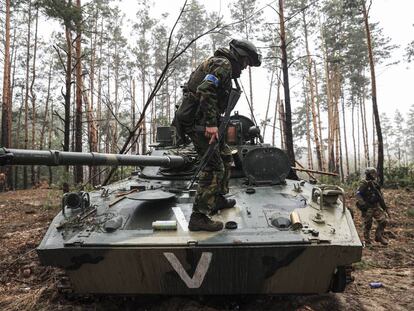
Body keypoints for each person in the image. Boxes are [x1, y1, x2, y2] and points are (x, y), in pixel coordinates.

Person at [174, 39, 261, 231]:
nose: (245, 67)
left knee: (225, 156)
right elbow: (205, 89)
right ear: (239, 56)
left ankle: (217, 199)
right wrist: (211, 124)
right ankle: (199, 217)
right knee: (213, 167)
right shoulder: (223, 64)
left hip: (204, 120)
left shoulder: (222, 65)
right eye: (246, 62)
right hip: (199, 123)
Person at [355, 167, 389, 245]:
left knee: (384, 220)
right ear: (368, 174)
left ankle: (379, 236)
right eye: (372, 173)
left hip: (375, 206)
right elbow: (358, 194)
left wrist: (383, 205)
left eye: (375, 173)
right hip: (368, 207)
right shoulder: (364, 183)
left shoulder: (375, 183)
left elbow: (380, 195)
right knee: (368, 224)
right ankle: (367, 242)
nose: (374, 175)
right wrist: (363, 204)